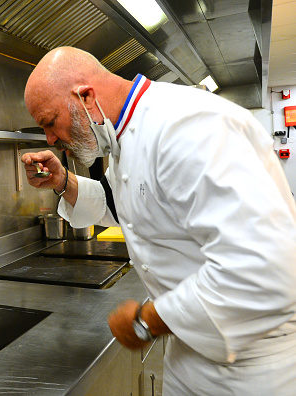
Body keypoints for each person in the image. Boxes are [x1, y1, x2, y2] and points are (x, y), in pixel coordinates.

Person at [21, 46, 296, 395]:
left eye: (49, 121)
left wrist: (146, 320)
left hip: (252, 367)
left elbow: (264, 267)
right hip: (192, 352)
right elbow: (133, 206)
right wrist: (64, 182)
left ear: (86, 96)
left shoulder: (188, 127)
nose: (49, 138)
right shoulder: (127, 135)